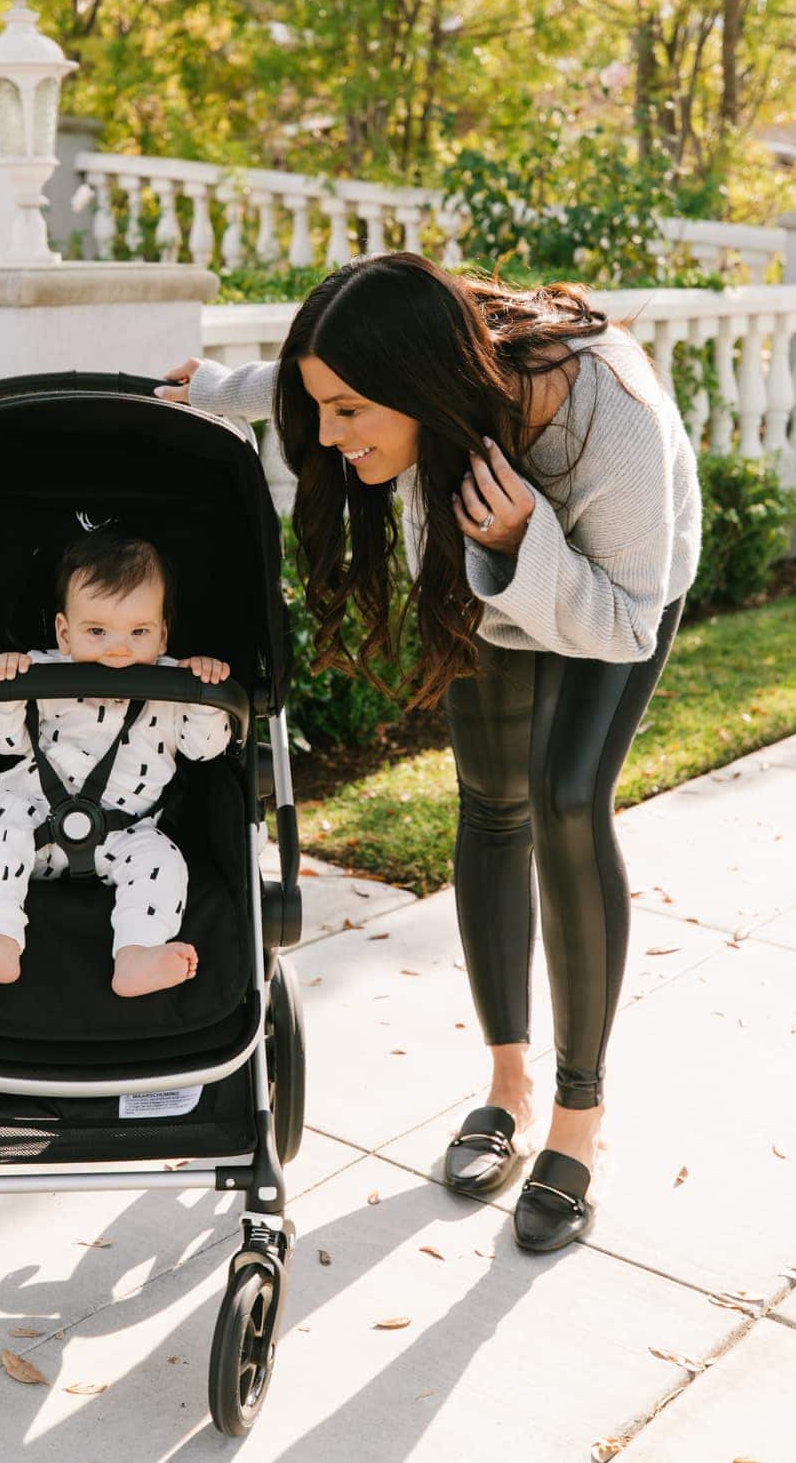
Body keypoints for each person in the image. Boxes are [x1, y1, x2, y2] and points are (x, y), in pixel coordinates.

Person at [155, 252, 700, 1252]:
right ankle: (509, 1087)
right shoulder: (432, 378)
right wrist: (221, 390)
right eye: (324, 410)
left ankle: (578, 1121)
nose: (330, 436)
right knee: (492, 805)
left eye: (350, 413)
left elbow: (624, 623)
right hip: (491, 560)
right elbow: (317, 385)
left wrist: (528, 539)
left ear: (420, 387)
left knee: (566, 803)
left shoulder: (610, 419)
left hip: (618, 593)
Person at [0, 524, 231, 999]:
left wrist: (204, 693)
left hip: (126, 832)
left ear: (162, 635)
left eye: (139, 632)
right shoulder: (40, 672)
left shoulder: (174, 685)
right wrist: (6, 690)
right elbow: (1, 742)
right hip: (30, 817)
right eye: (96, 631)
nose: (118, 648)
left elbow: (205, 747)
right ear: (65, 632)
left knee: (163, 863)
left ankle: (138, 953)